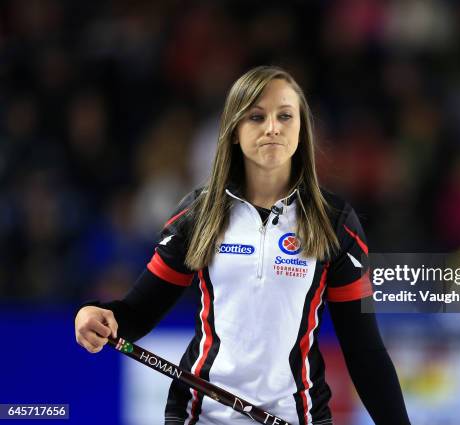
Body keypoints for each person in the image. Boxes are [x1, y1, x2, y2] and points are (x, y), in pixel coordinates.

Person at [75, 66, 410, 425]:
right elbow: (138, 313)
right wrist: (96, 315)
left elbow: (364, 351)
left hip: (299, 417)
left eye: (285, 116)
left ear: (302, 130)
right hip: (199, 415)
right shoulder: (197, 214)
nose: (272, 128)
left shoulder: (335, 222)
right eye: (256, 116)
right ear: (234, 131)